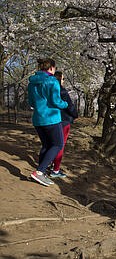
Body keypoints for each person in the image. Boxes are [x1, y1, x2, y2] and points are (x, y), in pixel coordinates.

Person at [27, 58, 68, 186]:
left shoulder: (32, 83)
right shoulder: (52, 81)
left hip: (38, 119)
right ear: (51, 68)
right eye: (54, 68)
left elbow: (31, 102)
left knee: (46, 145)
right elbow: (56, 101)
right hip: (51, 119)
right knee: (57, 144)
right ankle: (39, 172)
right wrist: (65, 104)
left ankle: (41, 172)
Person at [50, 71, 78, 178]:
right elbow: (69, 107)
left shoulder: (50, 90)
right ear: (59, 79)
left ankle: (50, 164)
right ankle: (55, 169)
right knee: (60, 145)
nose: (63, 81)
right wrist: (75, 115)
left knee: (52, 144)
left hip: (52, 120)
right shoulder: (62, 91)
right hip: (63, 120)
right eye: (63, 79)